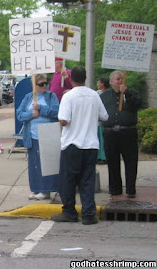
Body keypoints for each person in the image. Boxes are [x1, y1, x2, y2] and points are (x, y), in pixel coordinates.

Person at [52, 67, 108, 225]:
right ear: (85, 78)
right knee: (87, 180)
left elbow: (64, 120)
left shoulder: (69, 96)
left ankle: (69, 211)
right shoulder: (94, 95)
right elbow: (104, 116)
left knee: (68, 180)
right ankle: (89, 214)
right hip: (90, 144)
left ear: (71, 79)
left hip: (72, 143)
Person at [16, 74, 59, 200]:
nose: (44, 86)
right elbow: (20, 114)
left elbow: (56, 112)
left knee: (46, 164)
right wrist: (31, 114)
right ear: (34, 85)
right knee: (33, 163)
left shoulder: (51, 96)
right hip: (32, 135)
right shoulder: (28, 97)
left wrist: (41, 108)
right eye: (41, 84)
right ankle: (35, 188)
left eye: (46, 83)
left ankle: (46, 190)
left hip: (47, 134)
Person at [100, 71, 141, 199]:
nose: (120, 81)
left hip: (128, 132)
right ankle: (115, 188)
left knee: (130, 161)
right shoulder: (104, 96)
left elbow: (138, 104)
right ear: (111, 82)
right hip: (110, 132)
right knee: (112, 162)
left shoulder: (132, 93)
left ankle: (130, 189)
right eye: (117, 79)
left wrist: (127, 93)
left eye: (122, 79)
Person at [96, 77, 110, 165]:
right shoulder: (97, 93)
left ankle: (104, 157)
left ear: (103, 83)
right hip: (98, 120)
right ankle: (98, 156)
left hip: (105, 120)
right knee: (98, 139)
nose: (97, 84)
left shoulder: (108, 93)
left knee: (103, 139)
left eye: (98, 82)